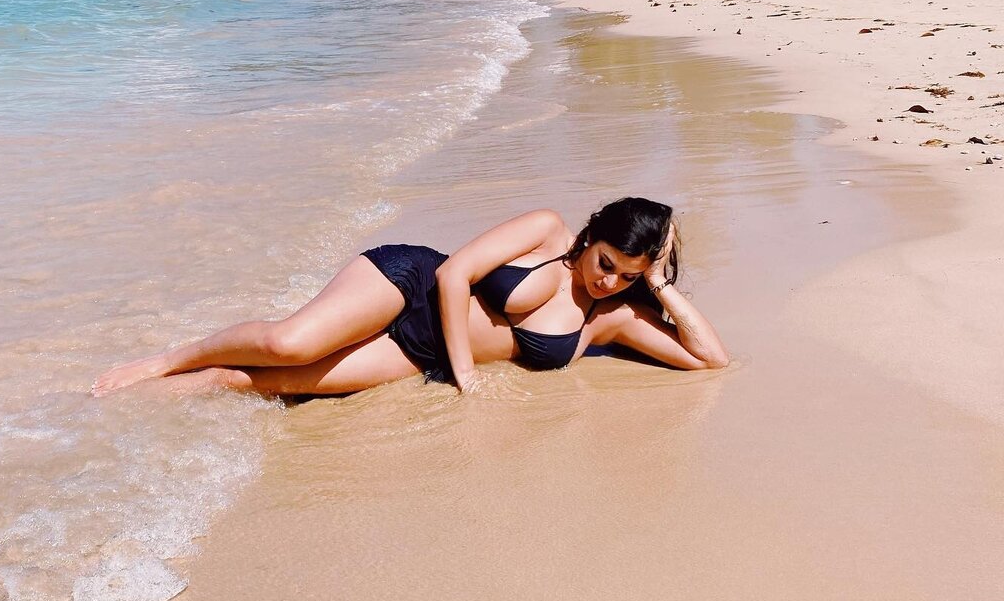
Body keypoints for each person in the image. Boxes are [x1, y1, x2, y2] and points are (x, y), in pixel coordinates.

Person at [91, 197, 728, 399]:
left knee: (278, 384)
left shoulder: (610, 318)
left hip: (420, 354)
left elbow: (711, 360)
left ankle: (183, 387)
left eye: (627, 277)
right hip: (408, 286)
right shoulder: (548, 230)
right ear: (592, 236)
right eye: (605, 263)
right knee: (289, 344)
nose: (607, 281)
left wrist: (662, 286)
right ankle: (165, 361)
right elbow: (455, 275)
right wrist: (467, 377)